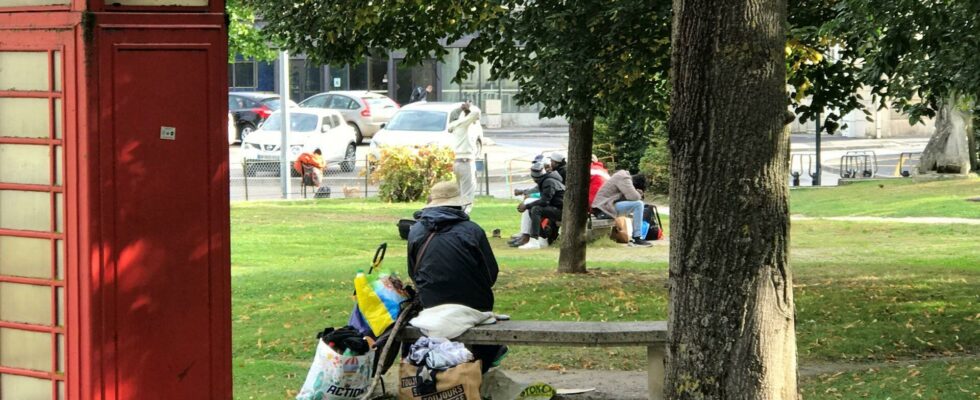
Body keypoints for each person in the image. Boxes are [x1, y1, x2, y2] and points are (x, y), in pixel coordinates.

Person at [407, 181, 503, 371]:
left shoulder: (416, 231)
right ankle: (479, 367)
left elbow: (413, 272)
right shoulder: (473, 230)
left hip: (431, 303)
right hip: (475, 304)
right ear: (458, 204)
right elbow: (491, 273)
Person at [592, 171, 653, 247]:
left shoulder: (622, 176)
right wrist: (639, 193)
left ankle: (635, 237)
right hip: (603, 209)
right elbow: (634, 197)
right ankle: (637, 238)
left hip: (604, 207)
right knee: (638, 204)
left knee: (636, 204)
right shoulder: (624, 178)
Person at [519, 162, 565, 250]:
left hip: (563, 211)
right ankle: (542, 239)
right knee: (532, 209)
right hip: (559, 208)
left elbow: (544, 202)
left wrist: (526, 205)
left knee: (536, 209)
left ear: (534, 178)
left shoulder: (548, 182)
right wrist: (528, 206)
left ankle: (534, 240)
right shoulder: (546, 180)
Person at [448, 101, 481, 213]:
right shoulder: (464, 124)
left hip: (457, 162)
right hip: (466, 162)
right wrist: (469, 107)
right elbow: (476, 113)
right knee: (467, 196)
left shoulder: (456, 125)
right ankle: (464, 219)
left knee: (461, 194)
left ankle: (459, 217)